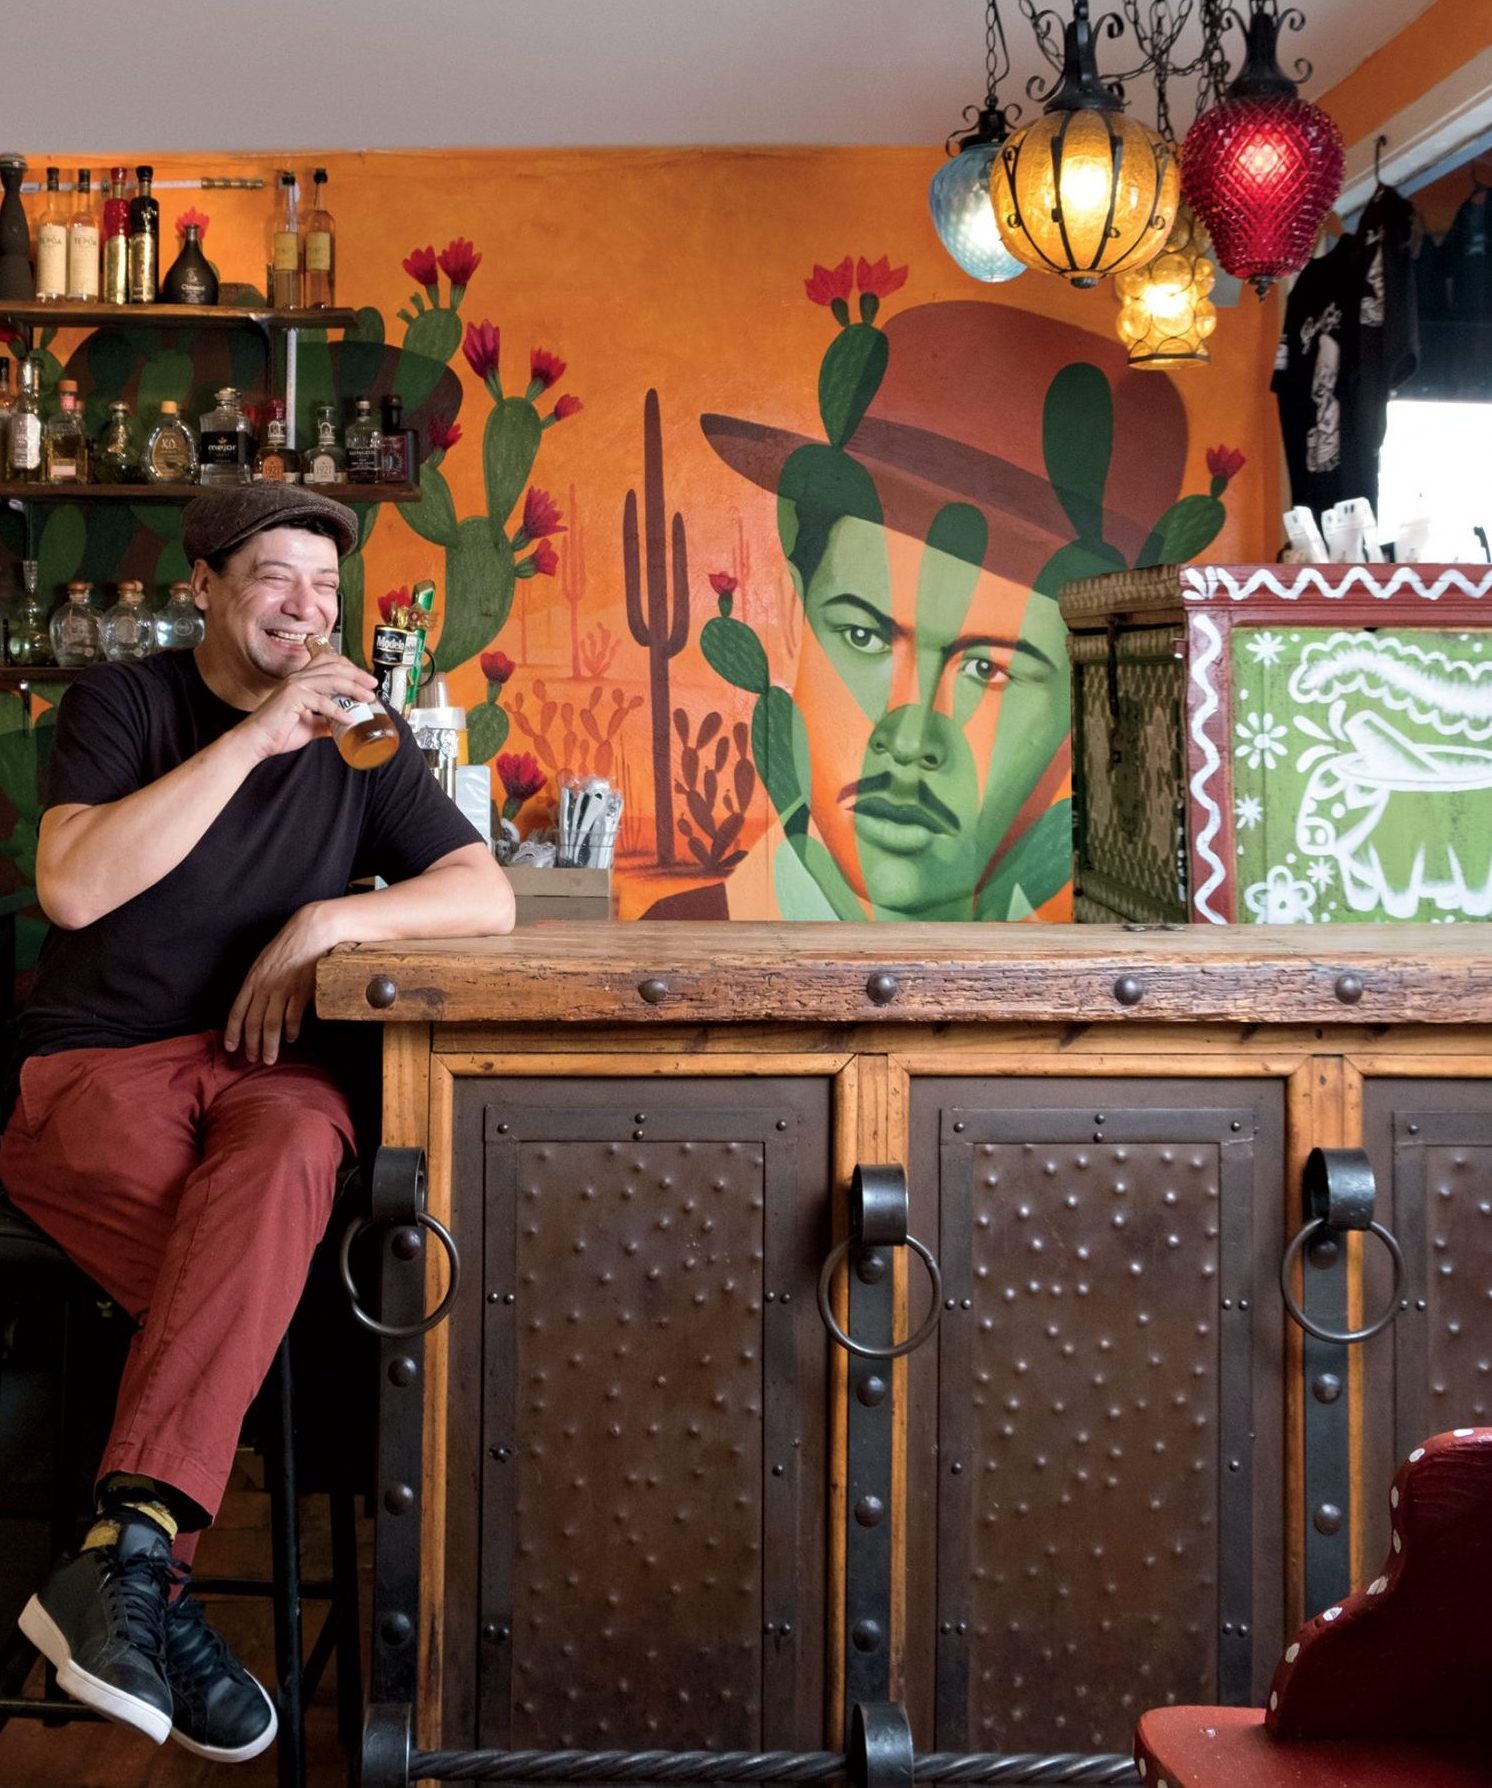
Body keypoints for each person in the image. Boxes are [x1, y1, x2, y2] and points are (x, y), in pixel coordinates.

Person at [0, 483, 513, 1762]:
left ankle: (122, 1561)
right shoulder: (125, 703)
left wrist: (327, 919)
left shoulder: (359, 739)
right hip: (100, 1068)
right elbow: (71, 888)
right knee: (303, 1285)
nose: (307, 609)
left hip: (264, 1075)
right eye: (277, 579)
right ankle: (153, 1581)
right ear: (208, 590)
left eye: (327, 589)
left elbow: (482, 892)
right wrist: (256, 738)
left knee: (296, 1153)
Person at [652, 298, 1203, 921]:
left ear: (1085, 703)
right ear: (790, 611)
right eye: (863, 636)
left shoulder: (1091, 973)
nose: (910, 742)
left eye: (989, 669)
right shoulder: (675, 939)